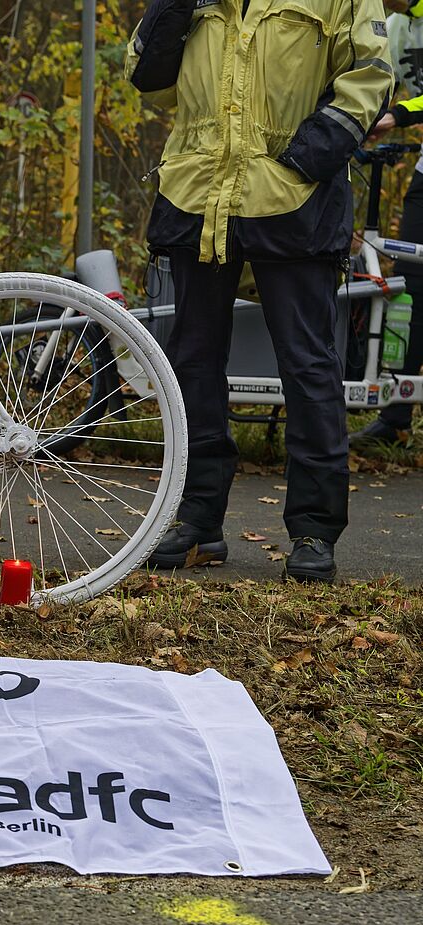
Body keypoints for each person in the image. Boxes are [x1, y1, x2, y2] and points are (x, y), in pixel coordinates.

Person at [126, 0, 393, 582]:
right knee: (192, 364)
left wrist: (307, 159)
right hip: (197, 198)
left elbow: (370, 77)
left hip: (292, 199)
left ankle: (314, 532)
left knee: (309, 366)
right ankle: (197, 521)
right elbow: (147, 76)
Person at [352, 0, 423, 448]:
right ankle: (396, 417)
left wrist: (400, 114)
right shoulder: (393, 25)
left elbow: (400, 105)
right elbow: (376, 83)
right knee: (411, 288)